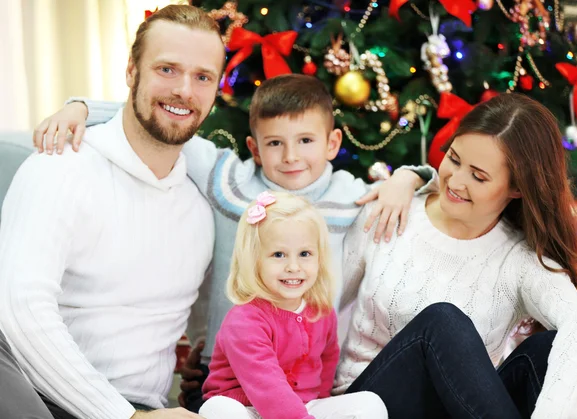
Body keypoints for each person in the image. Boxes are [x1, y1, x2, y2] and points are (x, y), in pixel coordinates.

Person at [35, 74, 438, 409]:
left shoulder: (351, 195)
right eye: (275, 142)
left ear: (332, 144)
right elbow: (151, 121)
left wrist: (410, 176)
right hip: (224, 378)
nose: (291, 156)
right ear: (254, 148)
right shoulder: (229, 180)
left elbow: (436, 192)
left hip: (303, 382)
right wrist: (80, 108)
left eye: (306, 141)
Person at [0, 5, 223, 419]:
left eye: (202, 77)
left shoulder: (203, 205)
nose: (185, 91)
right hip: (34, 395)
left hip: (142, 408)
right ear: (131, 73)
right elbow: (18, 309)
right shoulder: (61, 166)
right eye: (167, 69)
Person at [334, 93, 577, 419]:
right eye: (454, 159)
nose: (456, 182)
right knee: (442, 322)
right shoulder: (390, 210)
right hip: (369, 406)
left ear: (517, 188)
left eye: (478, 176)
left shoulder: (518, 260)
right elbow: (315, 303)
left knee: (545, 353)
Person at [198, 191, 388, 419]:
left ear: (320, 257)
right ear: (254, 260)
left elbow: (326, 366)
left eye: (305, 254)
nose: (293, 266)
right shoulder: (244, 321)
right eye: (279, 254)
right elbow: (266, 385)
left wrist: (322, 407)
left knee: (370, 403)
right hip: (247, 407)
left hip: (303, 406)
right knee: (217, 410)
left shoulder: (321, 312)